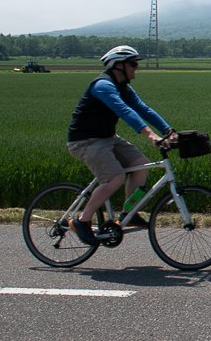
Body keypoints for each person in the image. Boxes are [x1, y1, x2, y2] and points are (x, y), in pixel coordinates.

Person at [66, 45, 176, 245]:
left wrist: (169, 131)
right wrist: (150, 134)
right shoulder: (103, 86)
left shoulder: (124, 87)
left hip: (108, 138)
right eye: (133, 64)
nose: (136, 68)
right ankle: (82, 220)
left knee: (141, 165)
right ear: (118, 66)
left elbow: (143, 109)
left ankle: (129, 212)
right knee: (115, 178)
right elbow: (125, 112)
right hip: (85, 141)